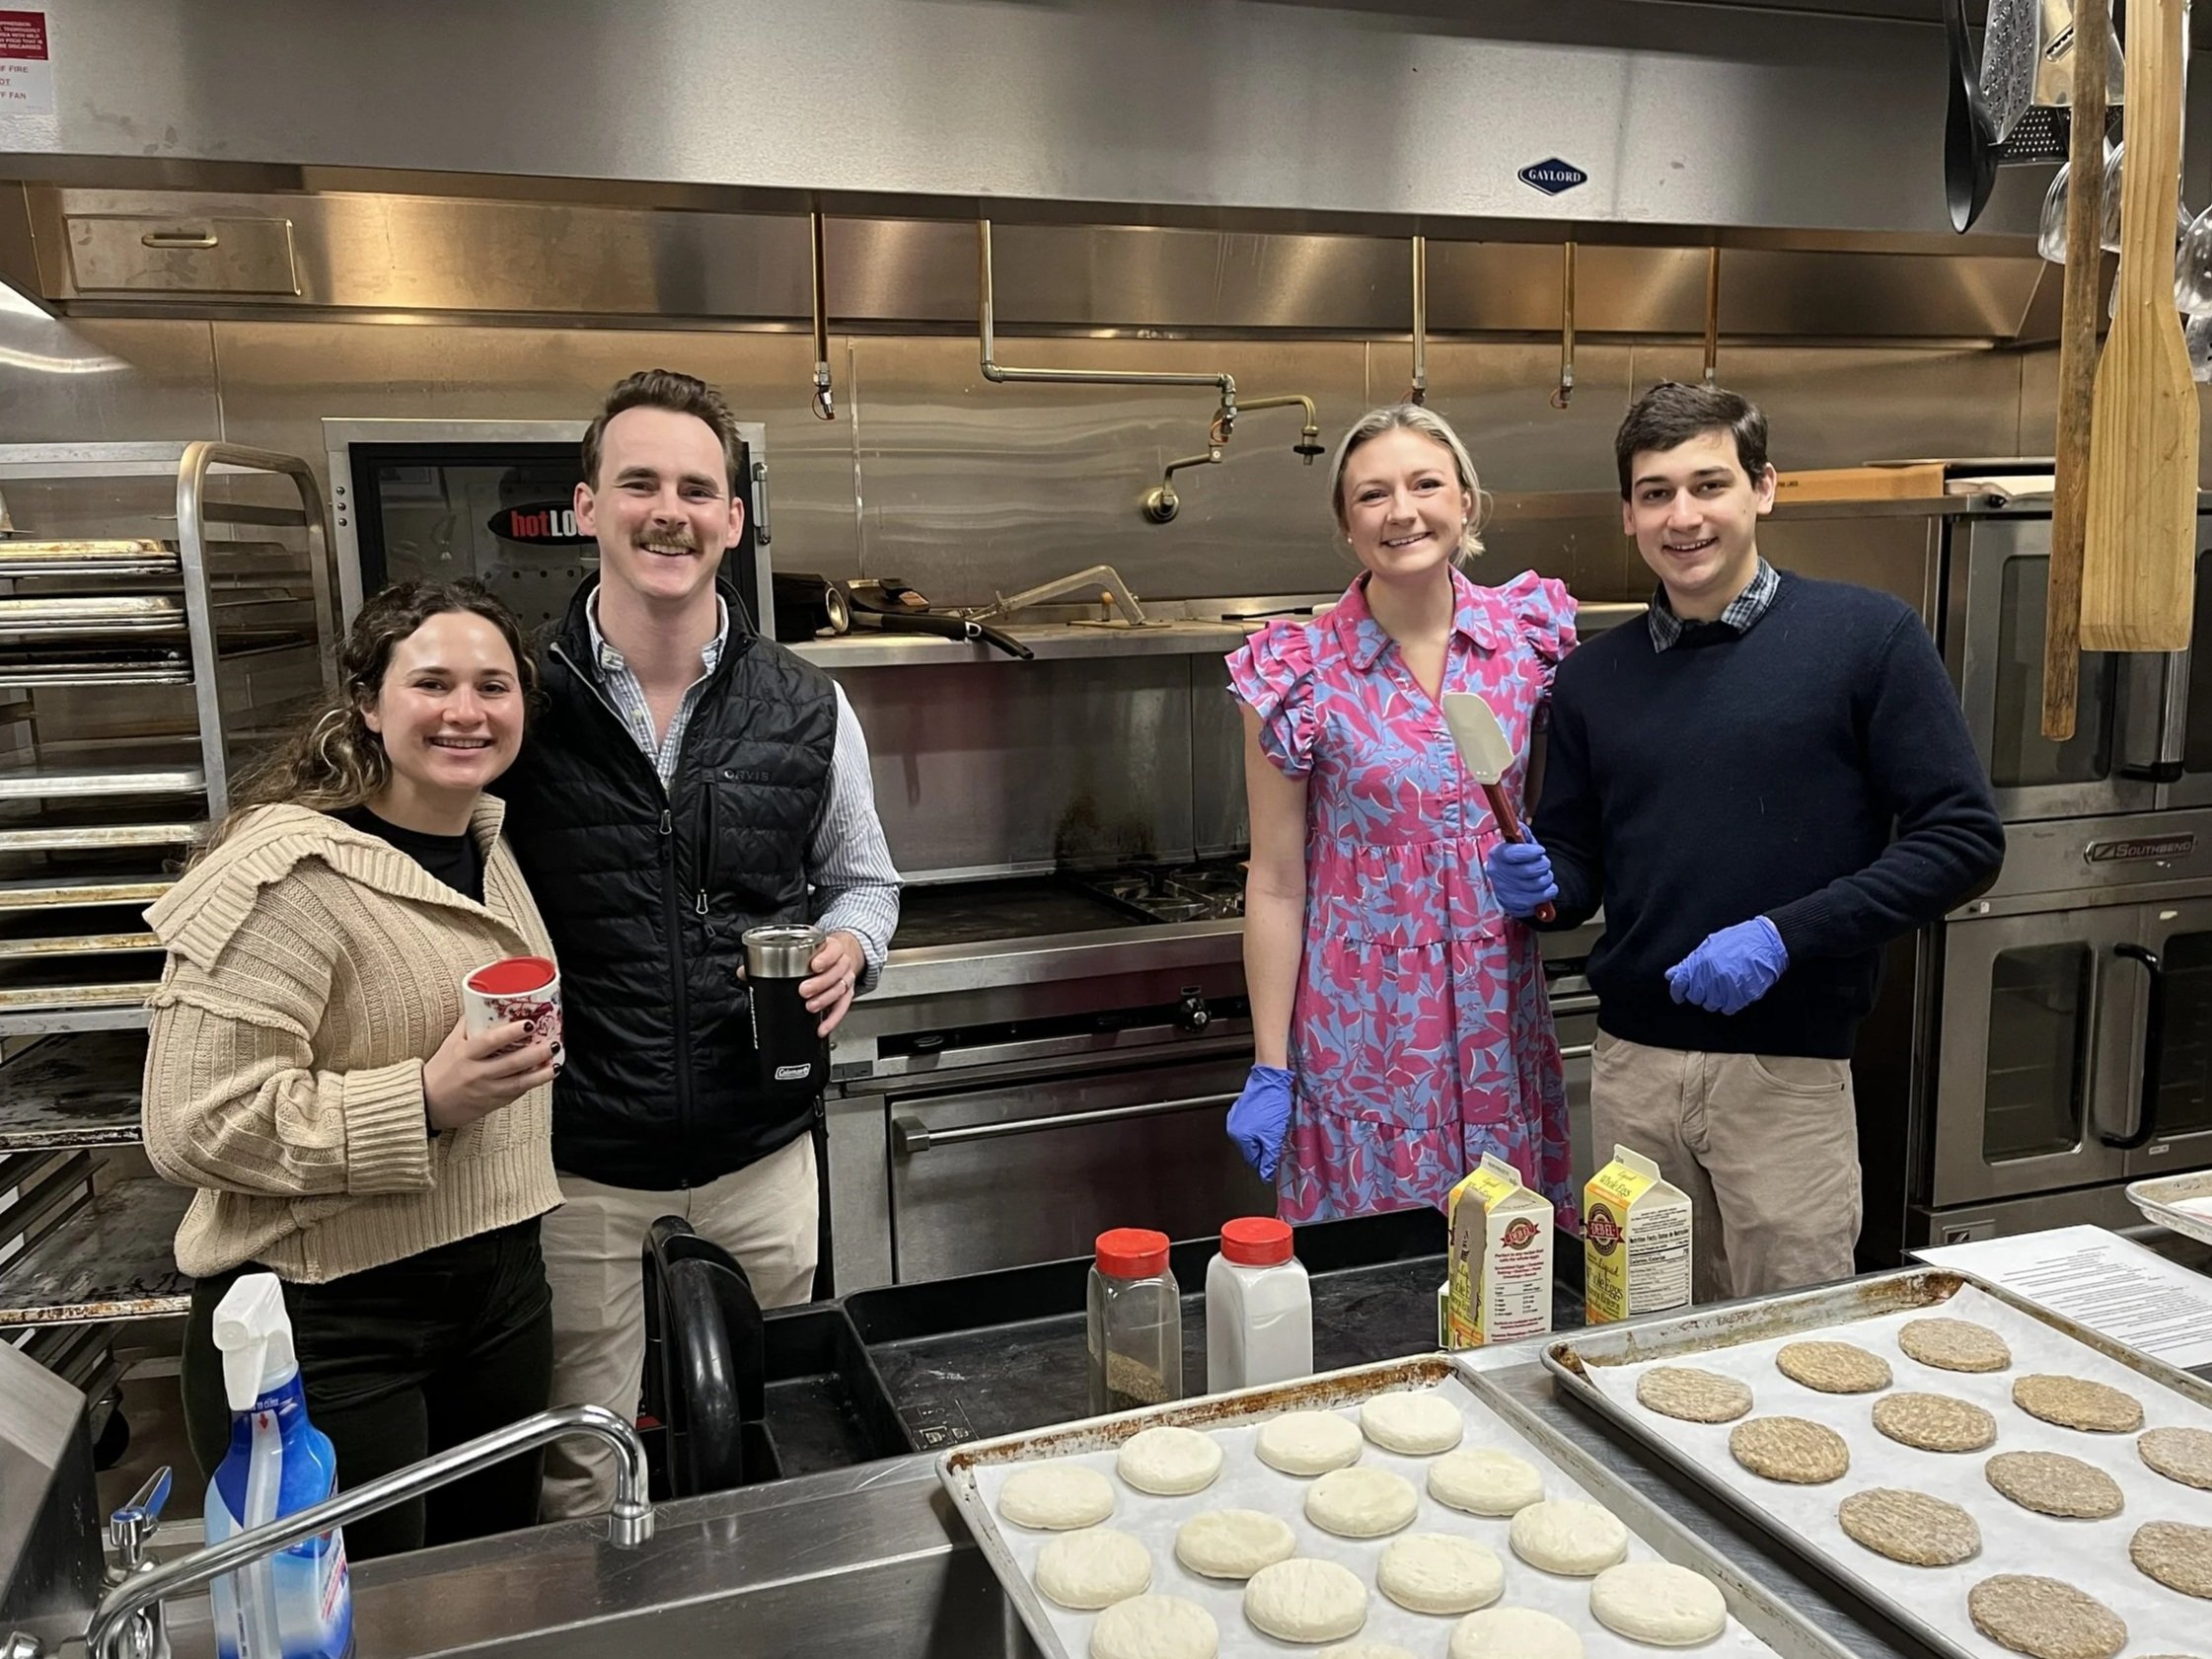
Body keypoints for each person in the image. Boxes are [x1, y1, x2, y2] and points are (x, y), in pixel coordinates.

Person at [1487, 381, 2005, 1302]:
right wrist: (1541, 882)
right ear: (1628, 513)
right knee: (1638, 1337)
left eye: (1709, 485)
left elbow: (1962, 839)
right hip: (1633, 1073)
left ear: (1764, 488)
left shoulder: (1865, 636)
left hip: (1787, 1073)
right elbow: (1578, 864)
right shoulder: (1593, 677)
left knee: (1796, 1341)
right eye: (1655, 493)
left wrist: (1783, 935)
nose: (1683, 516)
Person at [493, 369, 900, 1520]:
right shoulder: (518, 700)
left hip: (760, 1153)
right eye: (638, 483)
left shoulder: (805, 703)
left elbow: (864, 880)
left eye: (695, 488)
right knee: (585, 1467)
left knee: (768, 1438)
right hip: (578, 1164)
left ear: (731, 518)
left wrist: (848, 950)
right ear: (587, 507)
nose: (666, 511)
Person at [142, 580, 561, 1558]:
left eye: (494, 686)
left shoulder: (483, 842)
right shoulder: (283, 874)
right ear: (369, 704)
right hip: (330, 1324)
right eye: (434, 683)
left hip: (499, 1289)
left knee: (492, 1586)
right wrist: (418, 1100)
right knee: (365, 1612)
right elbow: (188, 1122)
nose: (468, 710)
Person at [1222, 404, 1577, 1224]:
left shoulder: (1530, 641)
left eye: (1425, 484)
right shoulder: (1298, 671)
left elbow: (1566, 813)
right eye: (1373, 495)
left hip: (1498, 1017)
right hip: (1364, 1032)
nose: (1403, 511)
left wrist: (1553, 869)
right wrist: (1270, 1064)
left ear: (1466, 503)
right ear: (1347, 525)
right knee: (1376, 1290)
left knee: (1509, 1270)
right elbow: (1276, 881)